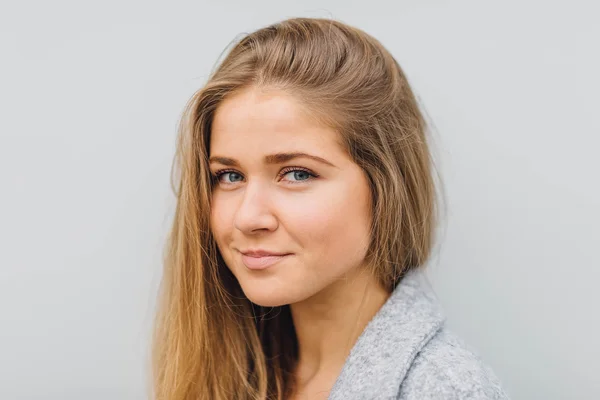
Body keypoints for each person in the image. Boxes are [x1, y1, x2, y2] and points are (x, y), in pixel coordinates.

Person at [151, 17, 509, 400]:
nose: (247, 218)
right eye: (230, 176)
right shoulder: (230, 371)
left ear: (386, 185)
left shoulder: (445, 389)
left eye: (298, 174)